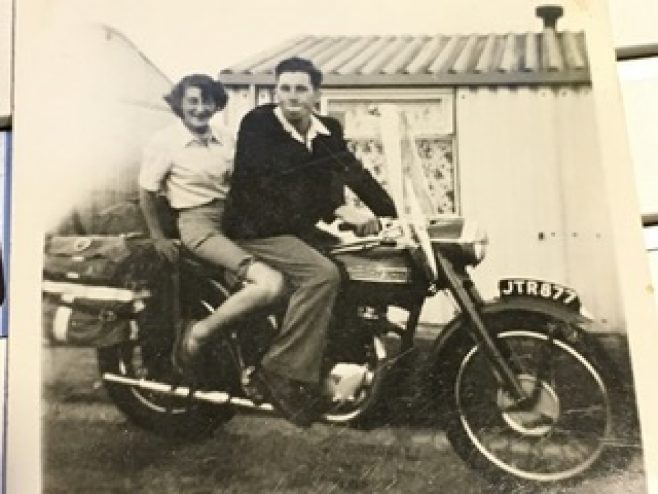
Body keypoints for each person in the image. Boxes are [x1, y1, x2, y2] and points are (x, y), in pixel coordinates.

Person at [222, 57, 396, 427]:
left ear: (317, 93)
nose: (292, 96)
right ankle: (280, 371)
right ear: (276, 91)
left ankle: (332, 364)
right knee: (321, 275)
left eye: (301, 88)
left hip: (295, 229)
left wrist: (392, 213)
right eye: (285, 88)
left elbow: (354, 172)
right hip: (256, 228)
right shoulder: (258, 124)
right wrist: (337, 210)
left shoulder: (326, 129)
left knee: (355, 264)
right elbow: (273, 183)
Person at [138, 74, 284, 383]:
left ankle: (256, 365)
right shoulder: (165, 141)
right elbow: (146, 192)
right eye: (192, 101)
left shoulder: (227, 137)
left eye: (207, 101)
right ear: (180, 104)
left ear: (217, 104)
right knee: (269, 284)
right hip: (197, 223)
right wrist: (158, 237)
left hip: (236, 220)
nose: (200, 108)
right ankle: (198, 334)